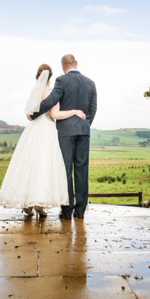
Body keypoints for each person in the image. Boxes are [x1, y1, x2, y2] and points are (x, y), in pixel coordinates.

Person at [0, 64, 86, 217]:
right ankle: (38, 204)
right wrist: (74, 111)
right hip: (46, 130)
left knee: (28, 165)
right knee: (42, 165)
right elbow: (55, 115)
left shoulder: (34, 91)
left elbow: (28, 116)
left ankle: (28, 205)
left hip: (32, 130)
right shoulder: (52, 91)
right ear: (50, 76)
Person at [30, 54, 97, 220]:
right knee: (82, 169)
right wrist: (85, 124)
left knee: (65, 170)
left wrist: (33, 112)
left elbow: (51, 100)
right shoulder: (91, 83)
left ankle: (67, 211)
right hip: (83, 130)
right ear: (76, 63)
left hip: (65, 132)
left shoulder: (62, 81)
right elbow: (93, 108)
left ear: (62, 66)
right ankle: (80, 211)